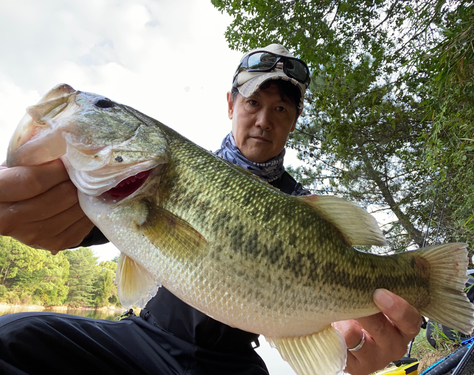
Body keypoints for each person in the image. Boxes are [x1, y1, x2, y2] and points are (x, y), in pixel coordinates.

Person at [0, 44, 422, 375]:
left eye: (280, 109)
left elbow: (317, 310)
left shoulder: (304, 210)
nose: (263, 120)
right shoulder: (154, 178)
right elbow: (70, 226)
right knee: (15, 339)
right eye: (253, 103)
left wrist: (347, 332)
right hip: (146, 338)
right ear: (230, 105)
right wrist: (37, 211)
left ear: (293, 121)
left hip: (233, 364)